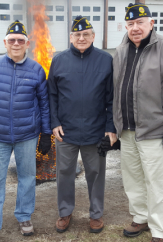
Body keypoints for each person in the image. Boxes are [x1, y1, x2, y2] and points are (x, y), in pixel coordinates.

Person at [112, 3, 163, 242]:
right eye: (130, 24)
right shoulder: (122, 50)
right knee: (132, 179)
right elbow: (116, 91)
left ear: (151, 24)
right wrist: (115, 128)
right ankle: (140, 217)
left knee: (155, 183)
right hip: (126, 131)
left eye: (140, 23)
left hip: (154, 131)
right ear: (125, 26)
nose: (135, 28)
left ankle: (159, 230)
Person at [0, 20, 51, 242]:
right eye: (11, 40)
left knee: (27, 177)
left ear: (27, 43)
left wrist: (45, 133)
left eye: (20, 40)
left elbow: (44, 104)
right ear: (5, 43)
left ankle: (24, 216)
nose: (16, 43)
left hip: (27, 135)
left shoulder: (36, 69)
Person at [48, 16, 117, 233]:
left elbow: (111, 98)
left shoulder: (106, 60)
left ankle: (95, 214)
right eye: (77, 34)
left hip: (96, 131)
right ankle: (65, 212)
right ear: (70, 37)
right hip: (66, 132)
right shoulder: (59, 60)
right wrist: (54, 122)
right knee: (65, 174)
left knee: (95, 174)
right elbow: (51, 95)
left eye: (86, 34)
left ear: (93, 36)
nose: (81, 38)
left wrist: (110, 127)